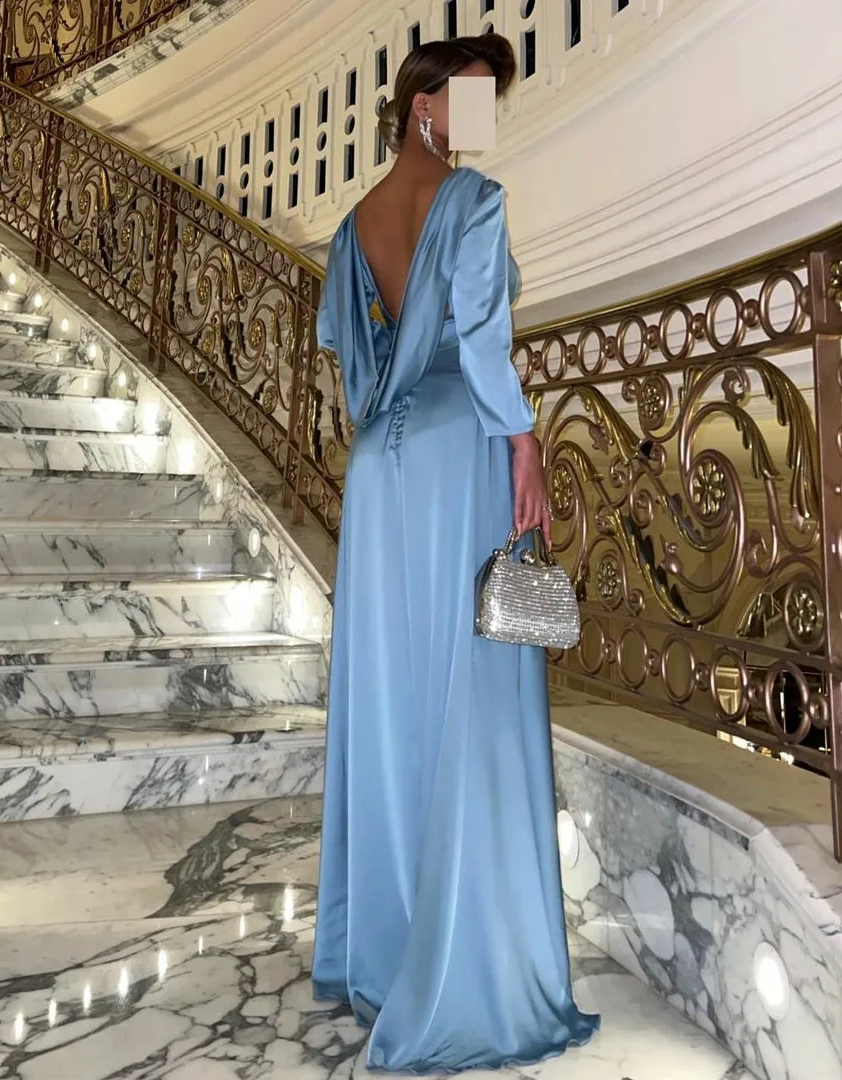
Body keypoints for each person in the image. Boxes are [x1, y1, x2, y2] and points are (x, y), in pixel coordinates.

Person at [311, 34, 601, 1073]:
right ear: (424, 104)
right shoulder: (472, 200)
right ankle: (468, 973)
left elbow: (353, 360)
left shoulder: (354, 224)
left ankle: (385, 959)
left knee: (391, 705)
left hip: (378, 472)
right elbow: (479, 338)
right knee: (470, 699)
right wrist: (524, 441)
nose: (484, 121)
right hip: (455, 452)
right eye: (474, 98)